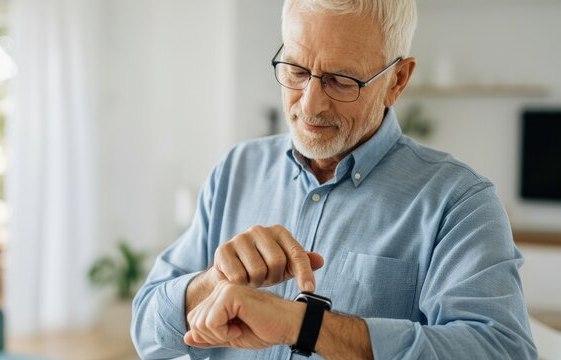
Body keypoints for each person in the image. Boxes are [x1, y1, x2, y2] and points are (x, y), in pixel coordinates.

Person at [131, 0, 538, 359]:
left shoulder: (459, 201)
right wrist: (214, 281)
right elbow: (147, 333)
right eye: (295, 69)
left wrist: (304, 326)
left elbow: (501, 350)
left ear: (397, 81)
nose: (310, 103)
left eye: (341, 80)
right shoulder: (237, 169)